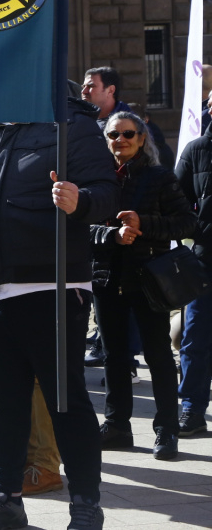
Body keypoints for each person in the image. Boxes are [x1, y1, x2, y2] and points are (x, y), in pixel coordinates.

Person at [0, 96, 118, 530]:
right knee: (4, 400)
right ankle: (5, 500)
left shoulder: (70, 124)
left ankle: (86, 507)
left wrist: (82, 202)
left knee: (66, 401)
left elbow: (108, 193)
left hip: (52, 289)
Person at [91, 111, 192, 460]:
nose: (120, 141)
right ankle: (117, 426)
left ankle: (167, 431)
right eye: (113, 135)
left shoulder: (160, 177)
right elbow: (80, 227)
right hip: (107, 279)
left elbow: (184, 223)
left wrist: (143, 224)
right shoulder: (99, 180)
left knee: (159, 355)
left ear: (142, 138)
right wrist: (111, 236)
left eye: (127, 134)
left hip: (149, 279)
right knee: (113, 356)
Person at [174, 110, 212, 438]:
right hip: (204, 261)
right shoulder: (196, 149)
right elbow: (176, 203)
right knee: (196, 337)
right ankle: (192, 408)